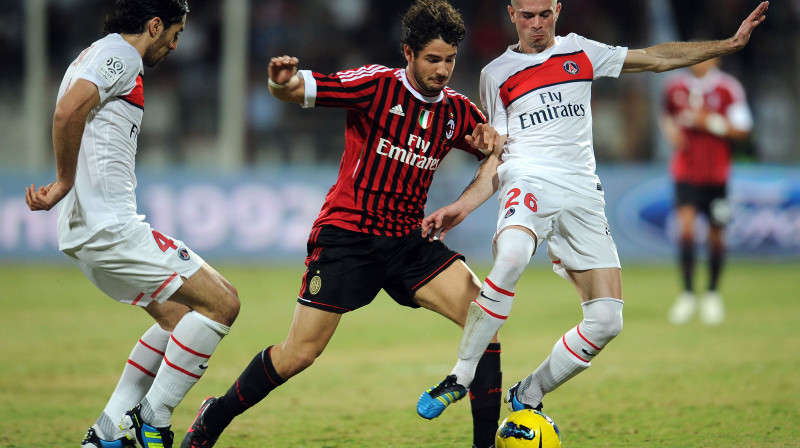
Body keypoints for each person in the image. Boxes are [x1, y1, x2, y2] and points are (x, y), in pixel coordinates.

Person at [417, 0, 768, 418]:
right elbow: (498, 152)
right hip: (527, 178)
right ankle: (460, 374)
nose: (536, 24)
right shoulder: (495, 74)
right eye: (527, 15)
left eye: (544, 14)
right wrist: (463, 205)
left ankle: (528, 393)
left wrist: (726, 46)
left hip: (583, 190)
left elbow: (655, 58)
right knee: (510, 257)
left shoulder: (581, 52)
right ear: (511, 14)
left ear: (558, 10)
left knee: (606, 321)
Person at [180, 1, 503, 447]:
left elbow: (497, 157)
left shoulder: (458, 113)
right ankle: (214, 415)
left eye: (449, 60)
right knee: (299, 354)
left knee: (484, 317)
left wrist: (475, 181)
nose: (442, 70)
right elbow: (297, 90)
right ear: (408, 53)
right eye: (433, 59)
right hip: (348, 238)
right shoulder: (374, 85)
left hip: (409, 241)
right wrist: (279, 84)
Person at [24, 1, 240, 447]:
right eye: (174, 34)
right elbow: (67, 113)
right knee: (223, 303)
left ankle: (108, 431)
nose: (175, 45)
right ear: (154, 25)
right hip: (110, 227)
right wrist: (65, 181)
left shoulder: (93, 54)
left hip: (87, 231)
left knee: (179, 319)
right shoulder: (120, 56)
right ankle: (151, 422)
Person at [661, 56, 753, 326]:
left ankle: (712, 294)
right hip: (685, 172)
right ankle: (687, 294)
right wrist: (670, 132)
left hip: (716, 175)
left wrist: (710, 122)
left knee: (716, 235)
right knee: (686, 228)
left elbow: (743, 130)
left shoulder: (727, 89)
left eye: (705, 55)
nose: (698, 61)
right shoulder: (675, 87)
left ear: (715, 60)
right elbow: (666, 115)